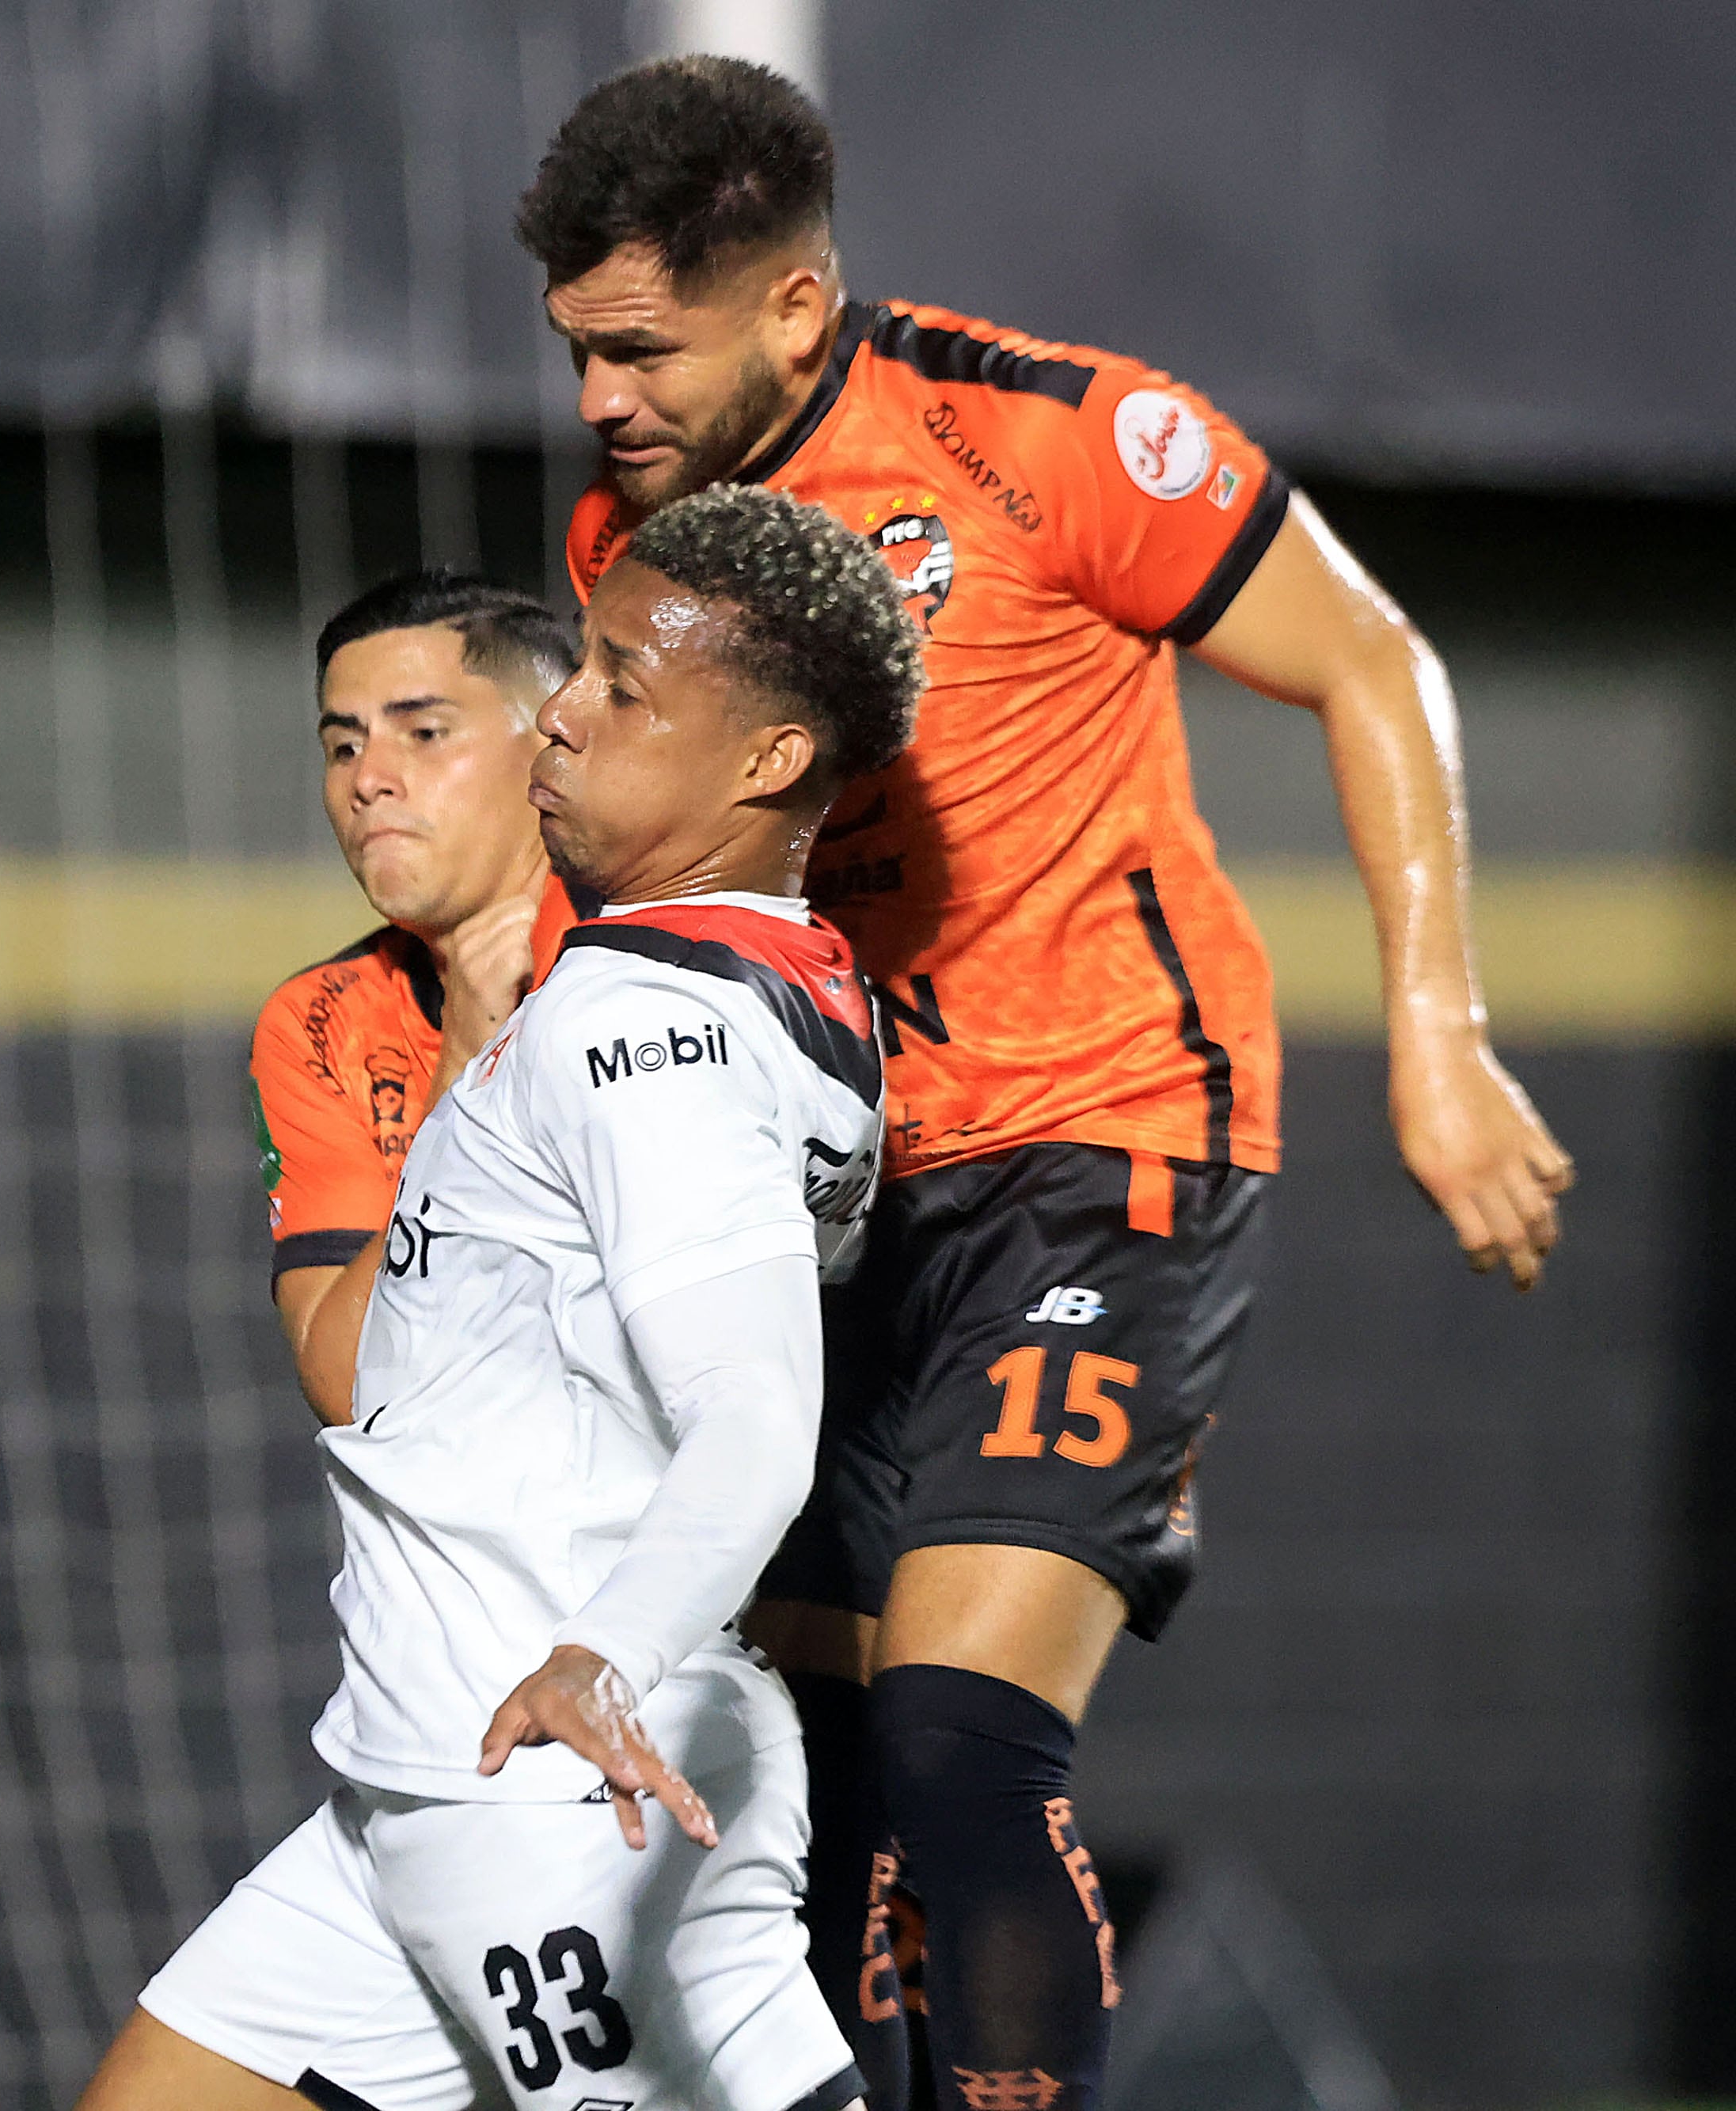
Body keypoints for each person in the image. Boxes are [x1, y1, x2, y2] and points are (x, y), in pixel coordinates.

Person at [515, 56, 1577, 2111]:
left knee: (961, 1735)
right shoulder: (626, 547)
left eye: (642, 348)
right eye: (576, 352)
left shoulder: (1052, 437)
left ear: (799, 309)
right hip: (847, 1207)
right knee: (801, 1786)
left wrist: (1437, 1037)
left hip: (1109, 1147)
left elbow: (1375, 664)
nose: (601, 402)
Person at [78, 484, 923, 2111]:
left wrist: (597, 1657)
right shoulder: (724, 982)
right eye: (578, 666)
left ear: (761, 764)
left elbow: (756, 1417)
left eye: (615, 685)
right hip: (411, 1776)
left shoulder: (638, 1030)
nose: (568, 716)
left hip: (552, 1782)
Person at [253, 571, 594, 1425]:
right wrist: (462, 1081)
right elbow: (348, 1388)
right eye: (342, 746)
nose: (368, 779)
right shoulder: (320, 1020)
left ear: (556, 748)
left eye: (424, 733)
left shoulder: (655, 961)